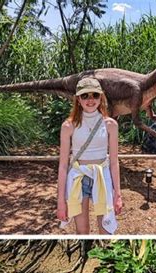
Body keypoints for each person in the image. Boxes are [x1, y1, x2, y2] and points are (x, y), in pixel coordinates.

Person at [57, 77, 122, 234]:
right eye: (85, 95)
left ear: (101, 97)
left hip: (102, 175)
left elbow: (114, 162)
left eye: (95, 95)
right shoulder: (68, 126)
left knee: (106, 230)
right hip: (79, 177)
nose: (90, 100)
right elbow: (63, 164)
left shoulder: (110, 125)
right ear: (78, 99)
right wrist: (60, 201)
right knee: (82, 231)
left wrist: (118, 194)